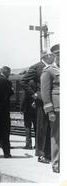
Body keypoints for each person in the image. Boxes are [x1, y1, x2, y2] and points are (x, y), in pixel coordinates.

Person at [20, 51, 55, 164]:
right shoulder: (36, 67)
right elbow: (23, 81)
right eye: (52, 55)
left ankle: (49, 153)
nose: (54, 57)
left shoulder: (53, 66)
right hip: (41, 101)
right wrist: (34, 94)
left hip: (51, 99)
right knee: (42, 128)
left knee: (50, 128)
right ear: (46, 56)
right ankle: (41, 154)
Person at [41, 44, 60, 173]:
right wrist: (50, 111)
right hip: (58, 109)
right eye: (58, 55)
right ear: (54, 56)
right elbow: (45, 93)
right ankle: (57, 163)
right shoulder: (48, 71)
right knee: (57, 136)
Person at [20, 80, 37, 149]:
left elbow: (23, 99)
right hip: (35, 111)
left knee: (28, 127)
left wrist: (21, 109)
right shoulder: (36, 91)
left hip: (27, 111)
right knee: (36, 128)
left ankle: (28, 145)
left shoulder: (26, 91)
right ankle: (37, 145)